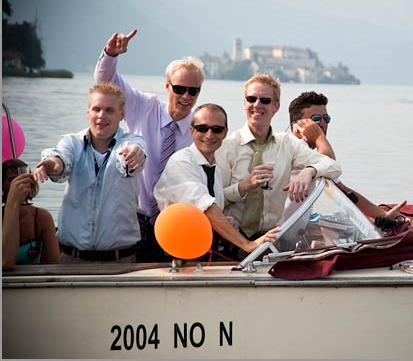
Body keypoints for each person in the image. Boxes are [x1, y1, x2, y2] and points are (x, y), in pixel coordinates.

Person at [94, 28, 205, 262]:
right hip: (134, 220)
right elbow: (106, 85)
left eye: (193, 91)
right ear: (167, 87)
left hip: (176, 224)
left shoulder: (202, 130)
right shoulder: (144, 106)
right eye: (179, 89)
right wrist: (111, 55)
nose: (186, 96)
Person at [215, 74, 342, 258]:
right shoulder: (227, 147)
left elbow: (333, 166)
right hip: (232, 241)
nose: (257, 105)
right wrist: (244, 185)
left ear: (276, 107)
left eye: (265, 100)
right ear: (244, 103)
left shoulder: (287, 144)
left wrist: (309, 171)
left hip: (273, 241)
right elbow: (216, 200)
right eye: (251, 99)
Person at [34, 83, 147, 263]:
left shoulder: (132, 142)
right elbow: (61, 159)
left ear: (122, 115)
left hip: (120, 261)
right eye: (96, 109)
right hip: (72, 259)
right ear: (88, 113)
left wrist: (134, 154)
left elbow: (134, 152)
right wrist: (51, 165)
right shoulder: (71, 142)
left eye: (109, 110)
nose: (101, 115)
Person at [154, 103, 280, 261]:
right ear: (192, 131)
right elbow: (206, 207)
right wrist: (247, 244)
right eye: (202, 128)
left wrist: (228, 224)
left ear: (225, 132)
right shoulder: (182, 161)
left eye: (217, 129)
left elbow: (211, 212)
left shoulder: (214, 167)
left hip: (206, 255)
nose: (209, 135)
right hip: (178, 257)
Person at [288, 91, 405, 222]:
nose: (322, 124)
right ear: (296, 125)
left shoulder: (314, 152)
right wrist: (319, 137)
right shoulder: (292, 146)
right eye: (315, 119)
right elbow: (328, 163)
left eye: (326, 119)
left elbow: (344, 191)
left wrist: (383, 215)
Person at [2, 159, 60, 270]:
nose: (18, 185)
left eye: (23, 179)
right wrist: (12, 204)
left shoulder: (41, 217)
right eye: (11, 180)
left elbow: (53, 265)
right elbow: (5, 263)